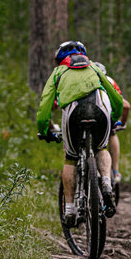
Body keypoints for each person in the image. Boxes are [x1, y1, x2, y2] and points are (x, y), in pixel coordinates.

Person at [37, 41, 123, 227]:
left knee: (71, 157)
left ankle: (69, 210)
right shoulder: (94, 67)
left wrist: (44, 130)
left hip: (73, 113)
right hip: (100, 109)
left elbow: (45, 104)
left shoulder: (58, 72)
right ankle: (107, 183)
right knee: (101, 147)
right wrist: (113, 118)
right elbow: (116, 97)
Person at [94, 62, 131, 184]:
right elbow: (125, 106)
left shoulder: (82, 81)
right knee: (112, 133)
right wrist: (121, 123)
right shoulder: (109, 81)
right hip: (105, 119)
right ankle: (115, 170)